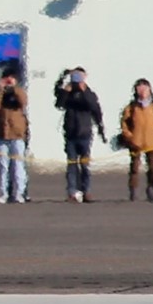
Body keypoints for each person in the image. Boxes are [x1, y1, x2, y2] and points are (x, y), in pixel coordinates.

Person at [53, 67, 104, 203]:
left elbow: (94, 107)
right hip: (71, 133)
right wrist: (64, 88)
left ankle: (86, 191)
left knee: (85, 165)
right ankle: (72, 192)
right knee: (71, 164)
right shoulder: (68, 92)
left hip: (85, 133)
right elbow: (59, 104)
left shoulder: (88, 93)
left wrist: (83, 89)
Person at [118, 78, 153, 202]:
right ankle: (133, 191)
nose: (142, 91)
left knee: (152, 168)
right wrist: (129, 136)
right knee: (134, 168)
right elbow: (124, 123)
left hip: (151, 142)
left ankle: (151, 189)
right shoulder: (131, 107)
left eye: (145, 88)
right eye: (139, 88)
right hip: (136, 142)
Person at [0, 71, 29, 203]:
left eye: (11, 78)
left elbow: (23, 102)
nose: (8, 80)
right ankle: (4, 193)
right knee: (3, 166)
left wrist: (14, 88)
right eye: (6, 78)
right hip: (1, 134)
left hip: (17, 134)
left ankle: (19, 193)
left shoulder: (19, 92)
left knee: (18, 165)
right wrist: (1, 90)